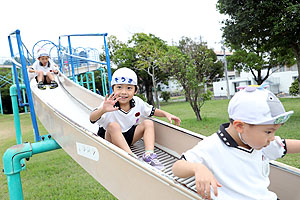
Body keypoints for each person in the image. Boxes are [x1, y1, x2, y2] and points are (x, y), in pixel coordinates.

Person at [172, 85, 300, 200]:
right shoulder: (213, 146)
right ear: (239, 126)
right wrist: (197, 168)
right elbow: (177, 167)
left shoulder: (258, 143)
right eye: (268, 132)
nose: (272, 138)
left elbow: (284, 145)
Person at [90, 67, 181, 170]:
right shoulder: (108, 104)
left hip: (128, 137)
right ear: (113, 89)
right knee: (113, 125)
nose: (124, 92)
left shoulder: (137, 102)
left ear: (135, 90)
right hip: (110, 139)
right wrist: (102, 110)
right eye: (119, 87)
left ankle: (149, 155)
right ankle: (132, 158)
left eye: (129, 88)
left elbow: (151, 111)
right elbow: (92, 118)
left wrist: (166, 114)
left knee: (148, 123)